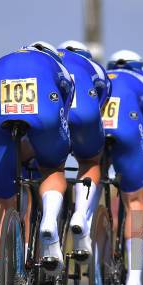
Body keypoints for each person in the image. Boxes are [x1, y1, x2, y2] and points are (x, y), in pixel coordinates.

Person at [0, 41, 74, 285]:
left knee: (2, 202)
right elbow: (64, 114)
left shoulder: (3, 60)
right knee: (53, 167)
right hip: (45, 110)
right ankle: (48, 222)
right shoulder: (58, 67)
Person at [104, 49, 143, 285]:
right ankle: (134, 283)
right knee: (134, 202)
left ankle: (86, 220)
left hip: (97, 135)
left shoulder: (101, 77)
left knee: (92, 172)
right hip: (128, 134)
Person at [57, 40, 111, 258]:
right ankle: (81, 213)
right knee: (90, 161)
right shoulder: (94, 67)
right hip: (85, 116)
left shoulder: (52, 60)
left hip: (54, 114)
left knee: (50, 166)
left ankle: (45, 218)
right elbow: (100, 106)